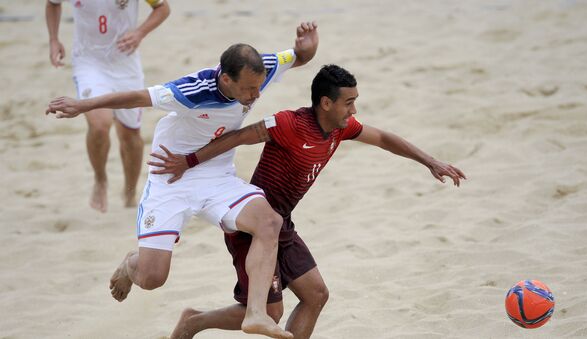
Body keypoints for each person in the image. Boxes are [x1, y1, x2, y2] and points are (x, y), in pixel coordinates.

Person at [147, 64, 467, 339]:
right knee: (270, 313)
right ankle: (195, 321)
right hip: (254, 226)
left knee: (316, 295)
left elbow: (383, 138)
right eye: (349, 103)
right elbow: (238, 136)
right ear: (326, 103)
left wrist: (430, 162)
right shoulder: (289, 124)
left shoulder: (340, 129)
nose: (353, 111)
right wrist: (187, 161)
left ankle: (196, 319)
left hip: (282, 223)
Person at [46, 22, 319, 339]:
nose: (255, 95)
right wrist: (83, 105)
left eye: (258, 87)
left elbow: (297, 57)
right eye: (247, 89)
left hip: (215, 173)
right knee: (151, 277)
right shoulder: (193, 90)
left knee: (270, 221)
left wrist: (307, 46)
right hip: (170, 176)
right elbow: (137, 97)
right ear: (226, 79)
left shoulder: (264, 67)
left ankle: (256, 313)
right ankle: (129, 264)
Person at [45, 0, 170, 213]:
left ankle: (130, 193)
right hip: (88, 62)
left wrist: (140, 33)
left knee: (130, 135)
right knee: (100, 125)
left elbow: (163, 8)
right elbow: (52, 3)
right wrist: (54, 39)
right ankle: (100, 179)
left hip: (125, 63)